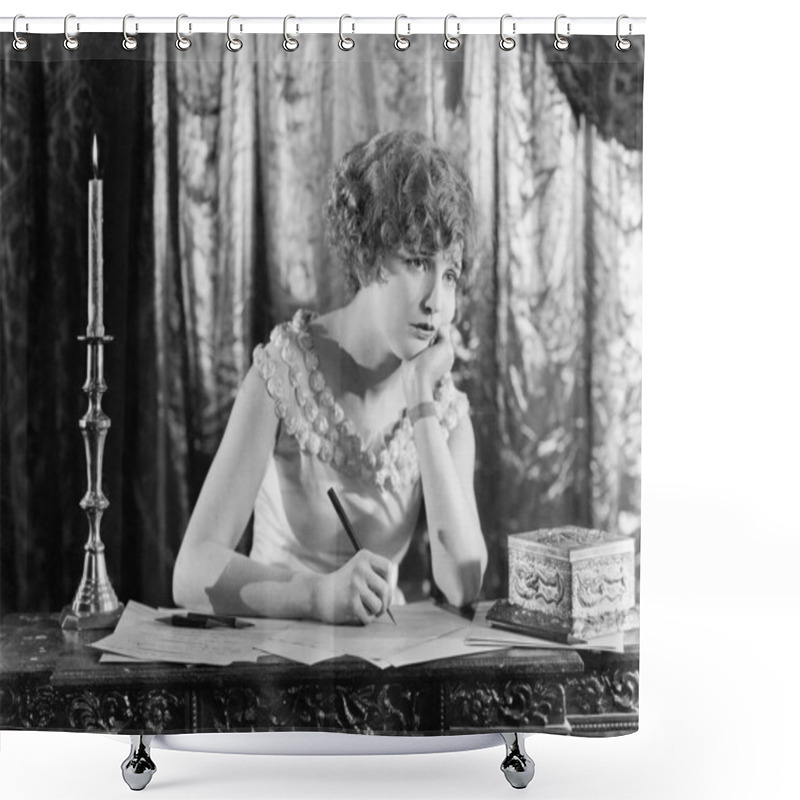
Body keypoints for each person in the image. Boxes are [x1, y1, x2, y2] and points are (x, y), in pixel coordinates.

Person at [172, 130, 487, 626]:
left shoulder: (444, 410)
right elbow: (191, 572)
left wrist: (421, 403)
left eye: (450, 273)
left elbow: (463, 582)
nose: (436, 302)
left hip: (381, 670)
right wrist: (318, 596)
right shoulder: (283, 374)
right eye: (418, 262)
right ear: (367, 255)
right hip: (273, 667)